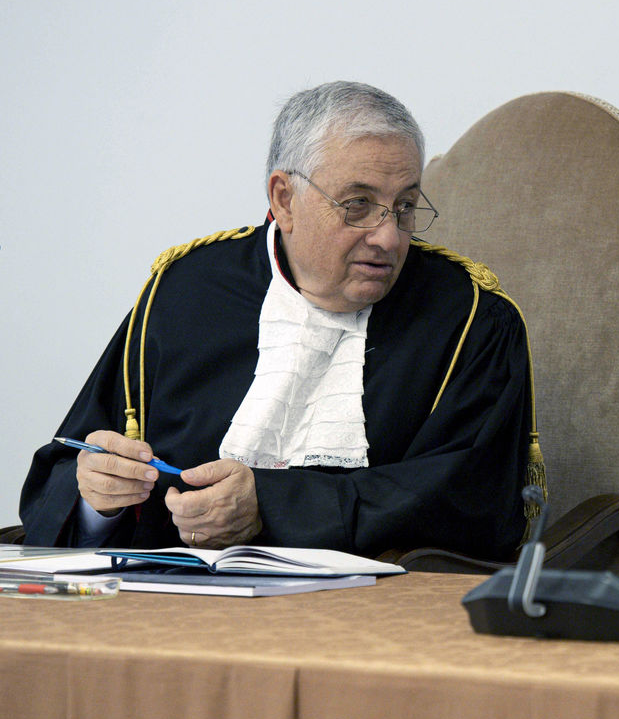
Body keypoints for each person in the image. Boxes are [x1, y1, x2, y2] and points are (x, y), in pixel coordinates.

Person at [21, 81, 537, 562]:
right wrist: (98, 500)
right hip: (169, 603)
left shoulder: (473, 319)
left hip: (372, 612)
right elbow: (70, 467)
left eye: (403, 207)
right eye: (358, 205)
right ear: (284, 199)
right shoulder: (185, 291)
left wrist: (268, 506)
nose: (389, 237)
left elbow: (472, 501)